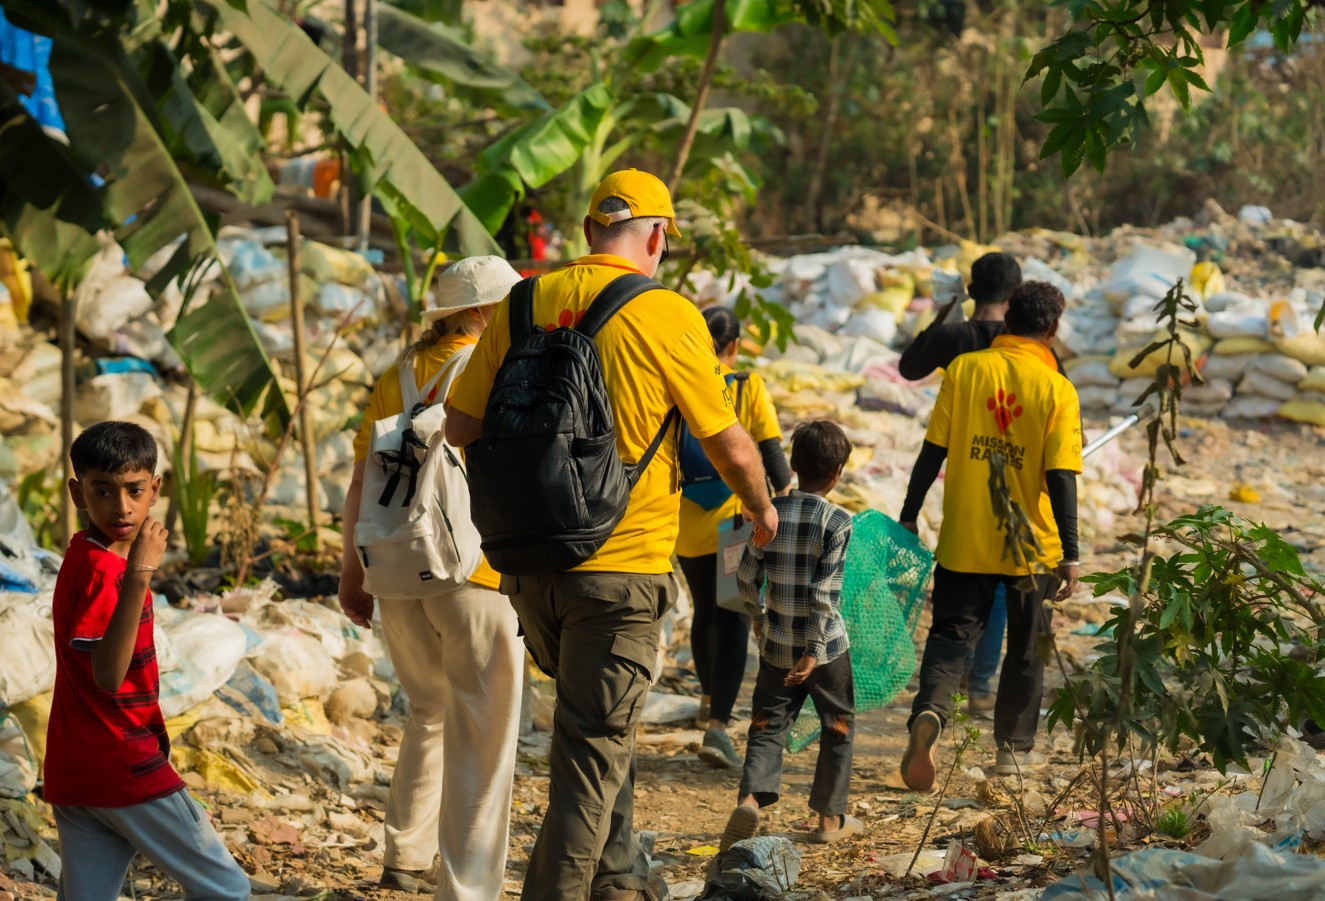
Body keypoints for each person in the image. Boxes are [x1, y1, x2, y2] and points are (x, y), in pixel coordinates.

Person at [445, 168, 778, 901]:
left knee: (599, 725)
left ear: (593, 230)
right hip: (619, 568)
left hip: (528, 562)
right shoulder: (665, 312)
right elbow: (727, 443)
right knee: (591, 752)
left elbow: (461, 425)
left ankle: (619, 881)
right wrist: (762, 508)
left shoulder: (522, 299)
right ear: (656, 235)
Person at [338, 256, 525, 898]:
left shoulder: (397, 374)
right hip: (474, 569)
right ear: (480, 313)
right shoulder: (494, 367)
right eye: (507, 304)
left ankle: (404, 853)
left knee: (429, 710)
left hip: (395, 565)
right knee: (487, 730)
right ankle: (469, 885)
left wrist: (351, 570)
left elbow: (362, 478)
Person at [46, 421, 250, 900]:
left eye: (134, 490)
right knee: (228, 889)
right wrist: (140, 573)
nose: (121, 507)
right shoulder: (108, 571)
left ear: (154, 489)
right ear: (78, 494)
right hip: (123, 763)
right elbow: (107, 677)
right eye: (103, 491)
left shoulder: (83, 553)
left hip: (74, 769)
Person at [897, 281, 1082, 790]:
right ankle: (1012, 756)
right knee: (1026, 649)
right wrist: (1071, 552)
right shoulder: (1057, 388)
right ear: (1052, 329)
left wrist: (910, 513)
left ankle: (930, 713)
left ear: (1006, 322)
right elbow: (1062, 475)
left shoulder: (965, 370)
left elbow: (931, 452)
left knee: (949, 637)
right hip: (1031, 547)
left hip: (965, 537)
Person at [720, 420, 858, 849]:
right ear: (836, 473)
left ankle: (749, 800)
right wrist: (814, 653)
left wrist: (759, 618)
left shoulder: (769, 511)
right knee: (837, 726)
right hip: (826, 652)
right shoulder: (838, 521)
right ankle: (829, 821)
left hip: (777, 645)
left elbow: (745, 575)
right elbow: (825, 594)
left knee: (766, 725)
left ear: (793, 465)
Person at [898, 251, 1024, 714]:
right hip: (1016, 475)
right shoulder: (1025, 347)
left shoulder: (956, 339)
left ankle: (944, 687)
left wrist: (945, 310)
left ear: (970, 290)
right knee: (999, 584)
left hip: (965, 473)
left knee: (963, 583)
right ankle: (982, 686)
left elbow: (909, 368)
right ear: (1016, 296)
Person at [677, 306, 792, 769]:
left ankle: (709, 698)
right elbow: (769, 451)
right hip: (734, 523)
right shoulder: (745, 385)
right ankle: (719, 728)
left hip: (684, 521)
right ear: (735, 346)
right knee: (734, 620)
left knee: (705, 611)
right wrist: (782, 498)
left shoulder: (679, 383)